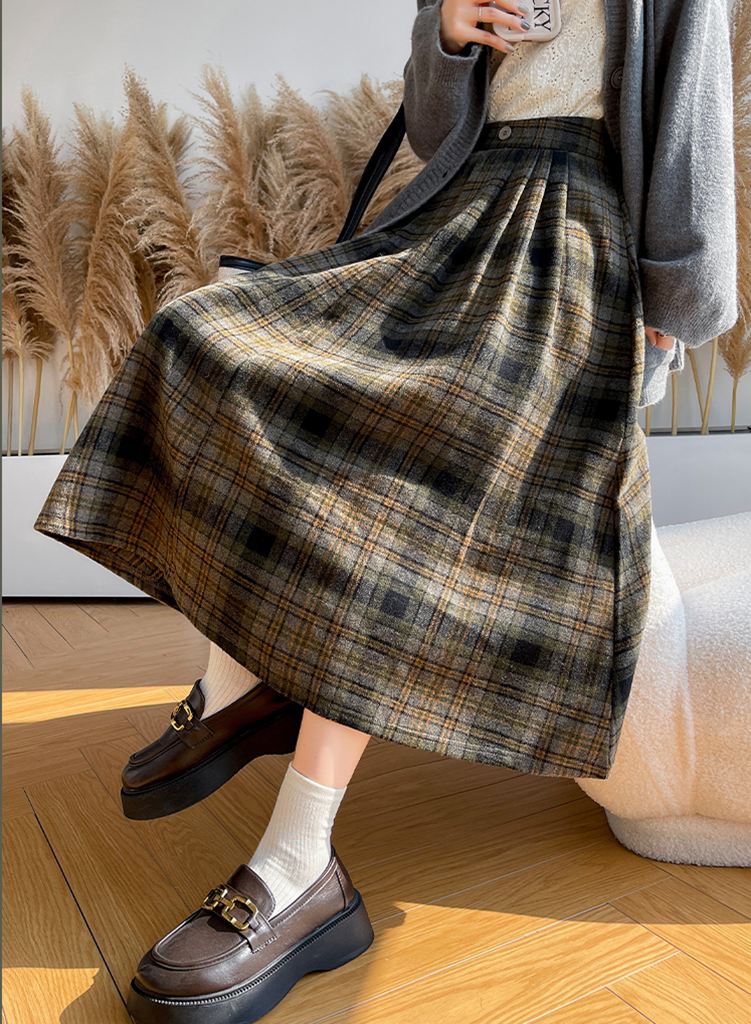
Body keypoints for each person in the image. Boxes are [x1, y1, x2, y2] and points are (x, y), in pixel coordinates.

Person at [32, 1, 738, 1021]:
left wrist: (672, 308)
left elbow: (689, 115)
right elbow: (434, 127)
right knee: (200, 338)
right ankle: (237, 684)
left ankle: (297, 862)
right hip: (452, 211)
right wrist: (446, 30)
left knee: (408, 492)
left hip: (571, 240)